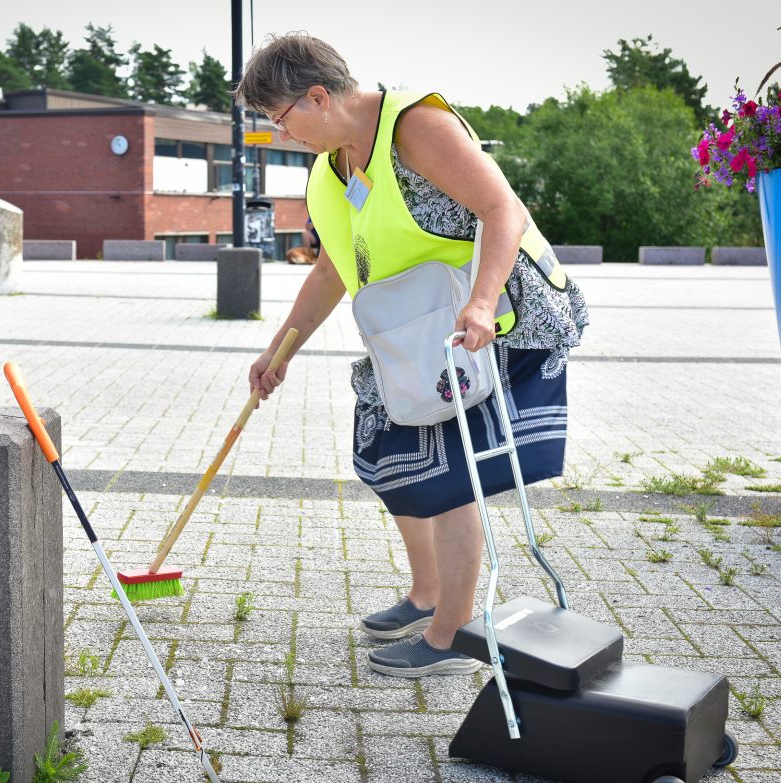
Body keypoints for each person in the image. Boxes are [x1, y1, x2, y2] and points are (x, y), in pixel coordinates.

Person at [235, 33, 589, 678]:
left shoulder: (415, 126)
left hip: (498, 317)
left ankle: (451, 636)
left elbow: (501, 208)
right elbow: (332, 271)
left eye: (282, 120)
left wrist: (481, 303)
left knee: (452, 477)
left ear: (318, 96)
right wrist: (279, 351)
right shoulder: (330, 167)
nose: (283, 136)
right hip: (420, 327)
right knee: (389, 453)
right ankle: (427, 594)